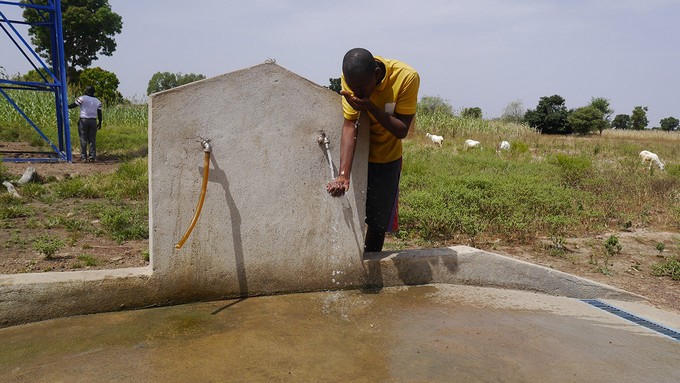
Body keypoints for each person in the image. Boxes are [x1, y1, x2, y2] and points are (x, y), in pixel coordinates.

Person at [326, 48, 420, 252]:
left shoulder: (406, 78)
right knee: (353, 215)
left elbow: (402, 130)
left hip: (387, 157)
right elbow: (350, 124)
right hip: (359, 157)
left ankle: (371, 271)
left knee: (377, 224)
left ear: (376, 74)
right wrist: (343, 175)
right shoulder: (352, 78)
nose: (356, 93)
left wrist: (370, 107)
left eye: (361, 88)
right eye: (353, 88)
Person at [68, 86, 102, 162]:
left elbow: (74, 105)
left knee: (83, 139)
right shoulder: (98, 101)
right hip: (93, 121)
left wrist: (66, 106)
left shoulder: (82, 98)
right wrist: (100, 123)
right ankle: (92, 157)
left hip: (84, 120)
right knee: (92, 140)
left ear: (87, 91)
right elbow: (99, 113)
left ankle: (83, 157)